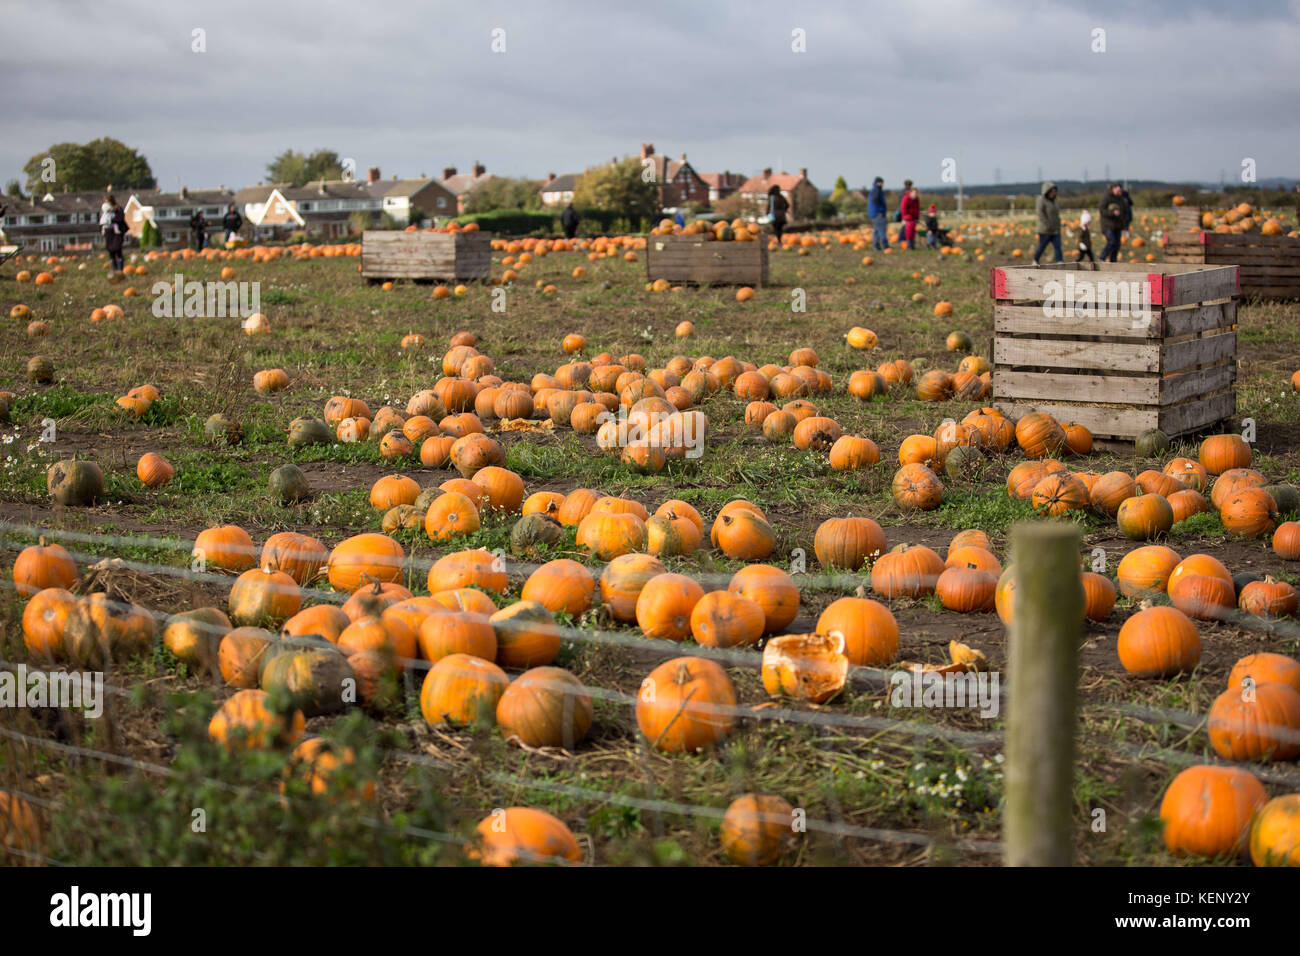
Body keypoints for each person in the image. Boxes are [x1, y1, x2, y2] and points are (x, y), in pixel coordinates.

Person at [1032, 181, 1062, 265]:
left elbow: (1056, 214)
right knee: (1042, 246)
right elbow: (1040, 213)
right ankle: (1035, 260)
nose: (1053, 193)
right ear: (1047, 192)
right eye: (1052, 191)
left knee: (1058, 247)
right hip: (1045, 230)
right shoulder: (1041, 200)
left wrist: (1059, 224)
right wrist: (1047, 224)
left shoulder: (1054, 201)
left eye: (1054, 191)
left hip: (1055, 229)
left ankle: (1060, 261)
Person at [1099, 183, 1127, 262]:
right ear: (1113, 189)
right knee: (1111, 241)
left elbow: (1124, 212)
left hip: (1118, 226)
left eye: (1120, 190)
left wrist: (1124, 225)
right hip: (1107, 225)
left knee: (1117, 245)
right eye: (1118, 190)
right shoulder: (1106, 198)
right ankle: (1102, 258)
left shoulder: (1121, 200)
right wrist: (1112, 213)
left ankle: (1113, 261)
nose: (1119, 192)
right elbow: (1102, 209)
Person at [103, 194, 127, 272]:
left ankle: (120, 270)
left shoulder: (118, 209)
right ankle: (114, 269)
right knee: (111, 251)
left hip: (117, 233)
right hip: (109, 232)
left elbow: (120, 219)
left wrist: (112, 220)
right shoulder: (105, 211)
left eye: (107, 202)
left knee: (117, 249)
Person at [867, 176, 888, 250]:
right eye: (881, 183)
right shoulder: (877, 190)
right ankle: (885, 246)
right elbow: (876, 201)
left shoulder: (874, 190)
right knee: (882, 230)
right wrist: (880, 211)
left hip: (873, 214)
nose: (882, 184)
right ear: (878, 182)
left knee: (876, 230)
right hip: (878, 214)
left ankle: (876, 246)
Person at [898, 180, 920, 250]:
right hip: (907, 217)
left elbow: (917, 209)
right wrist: (904, 219)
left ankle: (912, 244)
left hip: (914, 218)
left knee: (913, 232)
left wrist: (917, 217)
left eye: (916, 193)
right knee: (908, 231)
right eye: (914, 193)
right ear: (911, 192)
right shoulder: (906, 198)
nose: (915, 195)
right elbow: (903, 209)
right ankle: (908, 244)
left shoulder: (916, 199)